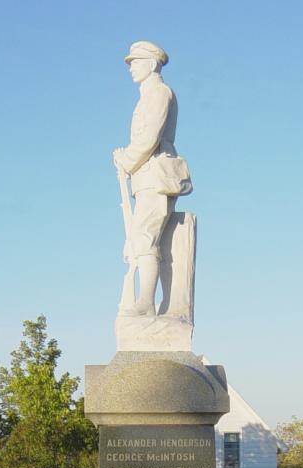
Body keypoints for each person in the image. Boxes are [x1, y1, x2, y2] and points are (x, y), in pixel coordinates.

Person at [113, 41, 192, 316]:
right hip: (145, 175)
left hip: (154, 174)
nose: (131, 67)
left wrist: (127, 158)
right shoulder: (148, 94)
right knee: (140, 240)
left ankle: (145, 302)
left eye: (136, 61)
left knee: (145, 238)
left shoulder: (158, 92)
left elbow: (149, 137)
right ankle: (146, 301)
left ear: (152, 63)